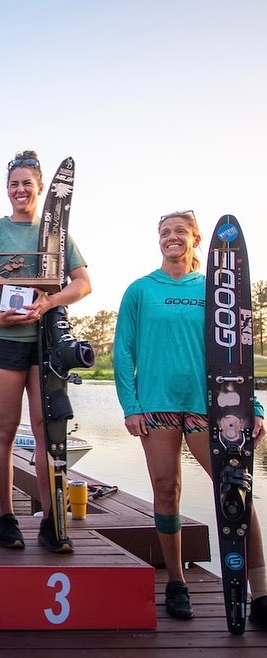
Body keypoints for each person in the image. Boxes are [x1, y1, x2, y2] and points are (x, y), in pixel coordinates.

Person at [113, 210, 267, 624]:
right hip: (157, 406)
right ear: (158, 240)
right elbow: (122, 351)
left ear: (197, 239)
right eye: (165, 232)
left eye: (180, 231)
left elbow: (239, 347)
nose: (171, 237)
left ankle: (261, 592)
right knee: (166, 490)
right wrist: (130, 406)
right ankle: (177, 583)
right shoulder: (140, 290)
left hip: (211, 407)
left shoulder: (217, 289)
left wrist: (252, 406)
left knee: (236, 490)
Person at [0, 150, 91, 553]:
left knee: (44, 433)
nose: (20, 190)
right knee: (3, 431)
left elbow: (83, 283)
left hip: (45, 344)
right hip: (4, 343)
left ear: (39, 189)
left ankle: (52, 521)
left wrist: (49, 303)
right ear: (7, 190)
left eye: (27, 184)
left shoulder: (55, 235)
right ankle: (7, 517)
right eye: (14, 184)